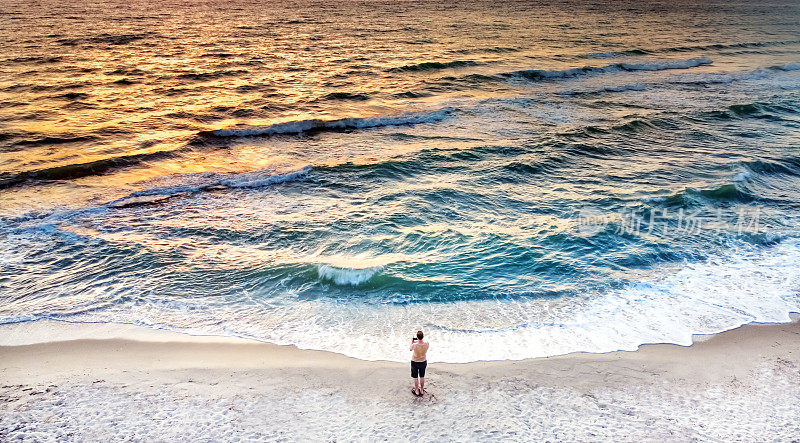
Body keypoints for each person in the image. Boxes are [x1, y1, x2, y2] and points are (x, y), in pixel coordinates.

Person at [409, 330, 429, 396]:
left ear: (417, 338)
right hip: (423, 361)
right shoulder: (427, 343)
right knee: (422, 376)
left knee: (415, 377)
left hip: (415, 362)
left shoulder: (414, 345)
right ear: (423, 337)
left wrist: (412, 341)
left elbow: (410, 349)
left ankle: (417, 390)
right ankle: (422, 389)